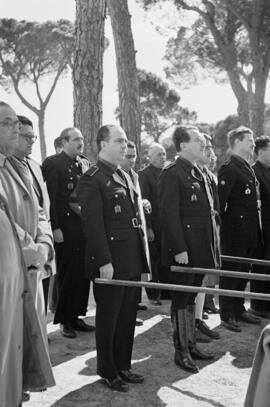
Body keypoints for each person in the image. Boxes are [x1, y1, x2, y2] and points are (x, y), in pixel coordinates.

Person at [77, 124, 150, 392]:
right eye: (119, 140)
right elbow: (93, 225)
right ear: (102, 144)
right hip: (110, 260)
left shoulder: (125, 175)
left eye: (126, 140)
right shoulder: (93, 178)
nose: (125, 145)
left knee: (128, 316)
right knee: (109, 318)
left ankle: (123, 365)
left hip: (130, 257)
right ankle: (108, 370)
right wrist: (103, 261)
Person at [0, 101, 55, 407]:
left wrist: (44, 245)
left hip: (31, 273)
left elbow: (42, 212)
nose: (17, 130)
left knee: (22, 344)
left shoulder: (20, 167)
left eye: (16, 124)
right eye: (8, 124)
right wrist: (35, 251)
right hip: (15, 273)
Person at [159, 125, 215, 374]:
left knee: (192, 297)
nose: (202, 144)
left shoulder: (196, 172)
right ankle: (180, 351)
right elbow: (169, 216)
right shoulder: (173, 173)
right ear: (182, 145)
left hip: (200, 249)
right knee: (181, 300)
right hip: (185, 252)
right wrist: (179, 249)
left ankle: (190, 344)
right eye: (197, 140)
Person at [42, 127, 94, 338]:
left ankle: (77, 316)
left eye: (81, 139)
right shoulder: (53, 164)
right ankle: (64, 320)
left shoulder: (84, 163)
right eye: (75, 139)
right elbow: (50, 199)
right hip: (65, 229)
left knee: (83, 275)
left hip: (84, 229)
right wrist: (55, 227)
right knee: (67, 276)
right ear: (63, 142)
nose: (80, 142)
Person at [218, 126, 261, 332]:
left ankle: (237, 307)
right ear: (237, 142)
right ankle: (227, 313)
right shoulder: (229, 167)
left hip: (249, 231)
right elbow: (221, 205)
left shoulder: (246, 167)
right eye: (249, 140)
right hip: (235, 233)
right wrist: (227, 233)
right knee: (231, 273)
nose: (253, 143)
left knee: (243, 273)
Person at [13, 115, 54, 320]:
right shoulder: (8, 167)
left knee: (42, 293)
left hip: (42, 240)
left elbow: (41, 205)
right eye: (26, 136)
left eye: (33, 137)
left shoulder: (35, 165)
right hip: (21, 249)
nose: (30, 141)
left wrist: (45, 240)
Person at [121, 140, 151, 324]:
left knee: (135, 273)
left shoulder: (134, 175)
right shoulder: (117, 175)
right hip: (124, 235)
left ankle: (132, 308)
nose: (132, 160)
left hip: (137, 231)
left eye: (134, 156)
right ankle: (127, 313)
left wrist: (143, 202)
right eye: (128, 156)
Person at [194, 133, 220, 342]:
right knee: (193, 286)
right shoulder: (190, 174)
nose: (209, 151)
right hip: (195, 238)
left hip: (209, 235)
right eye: (205, 146)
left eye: (210, 147)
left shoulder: (207, 174)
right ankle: (191, 325)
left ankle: (197, 320)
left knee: (203, 282)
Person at [139, 142, 168, 304]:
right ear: (149, 157)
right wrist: (148, 227)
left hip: (166, 225)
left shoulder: (166, 173)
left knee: (164, 259)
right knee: (154, 260)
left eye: (164, 153)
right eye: (159, 154)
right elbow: (144, 202)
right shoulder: (145, 174)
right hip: (153, 224)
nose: (162, 157)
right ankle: (153, 293)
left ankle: (164, 291)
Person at [249, 137, 270, 318]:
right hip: (263, 228)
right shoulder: (254, 171)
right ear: (261, 151)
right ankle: (257, 305)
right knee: (261, 265)